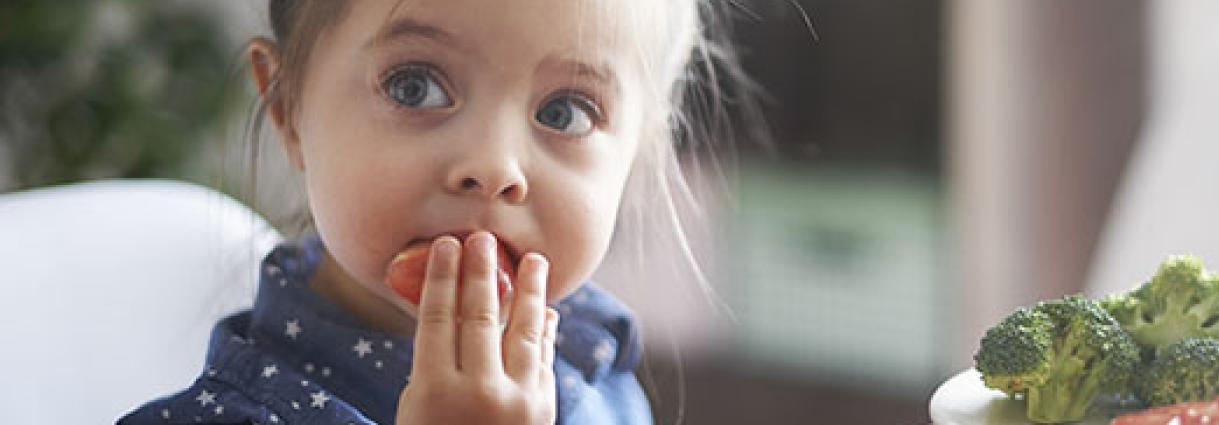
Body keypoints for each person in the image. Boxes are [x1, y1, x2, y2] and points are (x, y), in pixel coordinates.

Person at [120, 0, 755, 423]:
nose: (494, 166)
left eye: (565, 112)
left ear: (640, 148)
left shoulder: (595, 354)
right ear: (289, 108)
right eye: (414, 85)